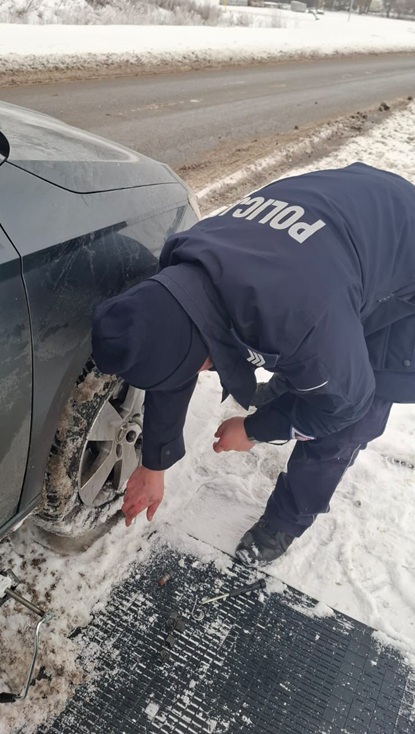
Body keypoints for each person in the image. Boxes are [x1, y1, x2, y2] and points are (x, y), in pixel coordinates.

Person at [92, 162, 415, 566]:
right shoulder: (183, 263)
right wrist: (154, 464)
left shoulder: (303, 320)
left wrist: (254, 429)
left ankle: (286, 520)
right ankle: (296, 385)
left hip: (400, 257)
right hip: (350, 222)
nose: (198, 373)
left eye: (197, 368)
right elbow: (172, 355)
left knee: (351, 409)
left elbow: (347, 404)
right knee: (315, 354)